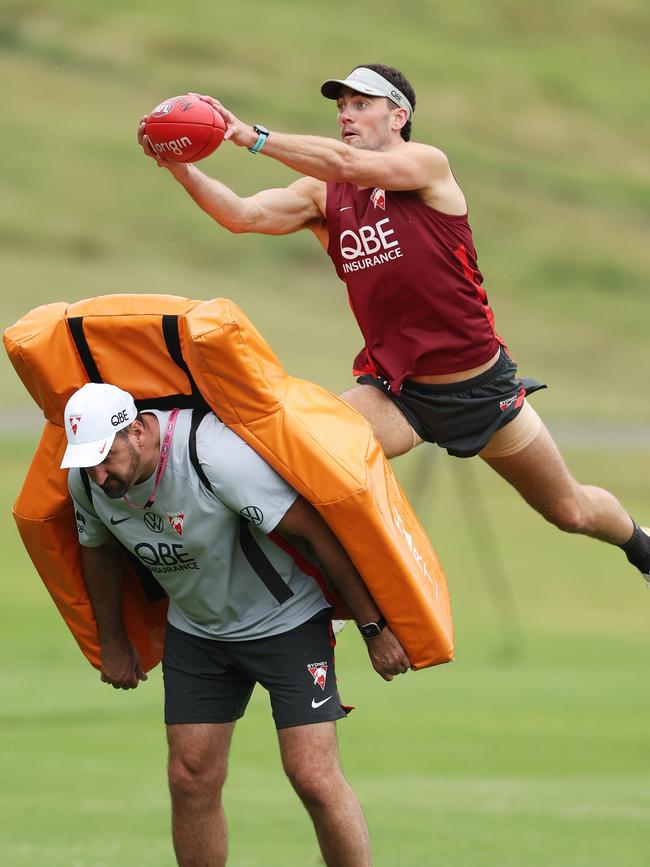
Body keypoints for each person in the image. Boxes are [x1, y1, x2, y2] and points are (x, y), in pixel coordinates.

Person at [137, 63, 650, 583]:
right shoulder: (324, 194)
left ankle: (643, 548)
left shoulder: (427, 165)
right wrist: (180, 166)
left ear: (399, 116)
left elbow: (346, 163)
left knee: (570, 511)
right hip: (397, 395)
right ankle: (330, 604)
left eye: (361, 104)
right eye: (341, 106)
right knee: (296, 461)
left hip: (479, 389)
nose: (346, 115)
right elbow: (242, 215)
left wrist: (249, 136)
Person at [62, 381, 410, 867]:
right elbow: (95, 550)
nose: (98, 476)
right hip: (198, 631)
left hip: (287, 619)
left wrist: (373, 628)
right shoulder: (87, 482)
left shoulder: (214, 455)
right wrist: (112, 641)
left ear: (137, 430)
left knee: (312, 776)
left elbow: (316, 530)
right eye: (86, 463)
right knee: (189, 778)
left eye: (105, 459)